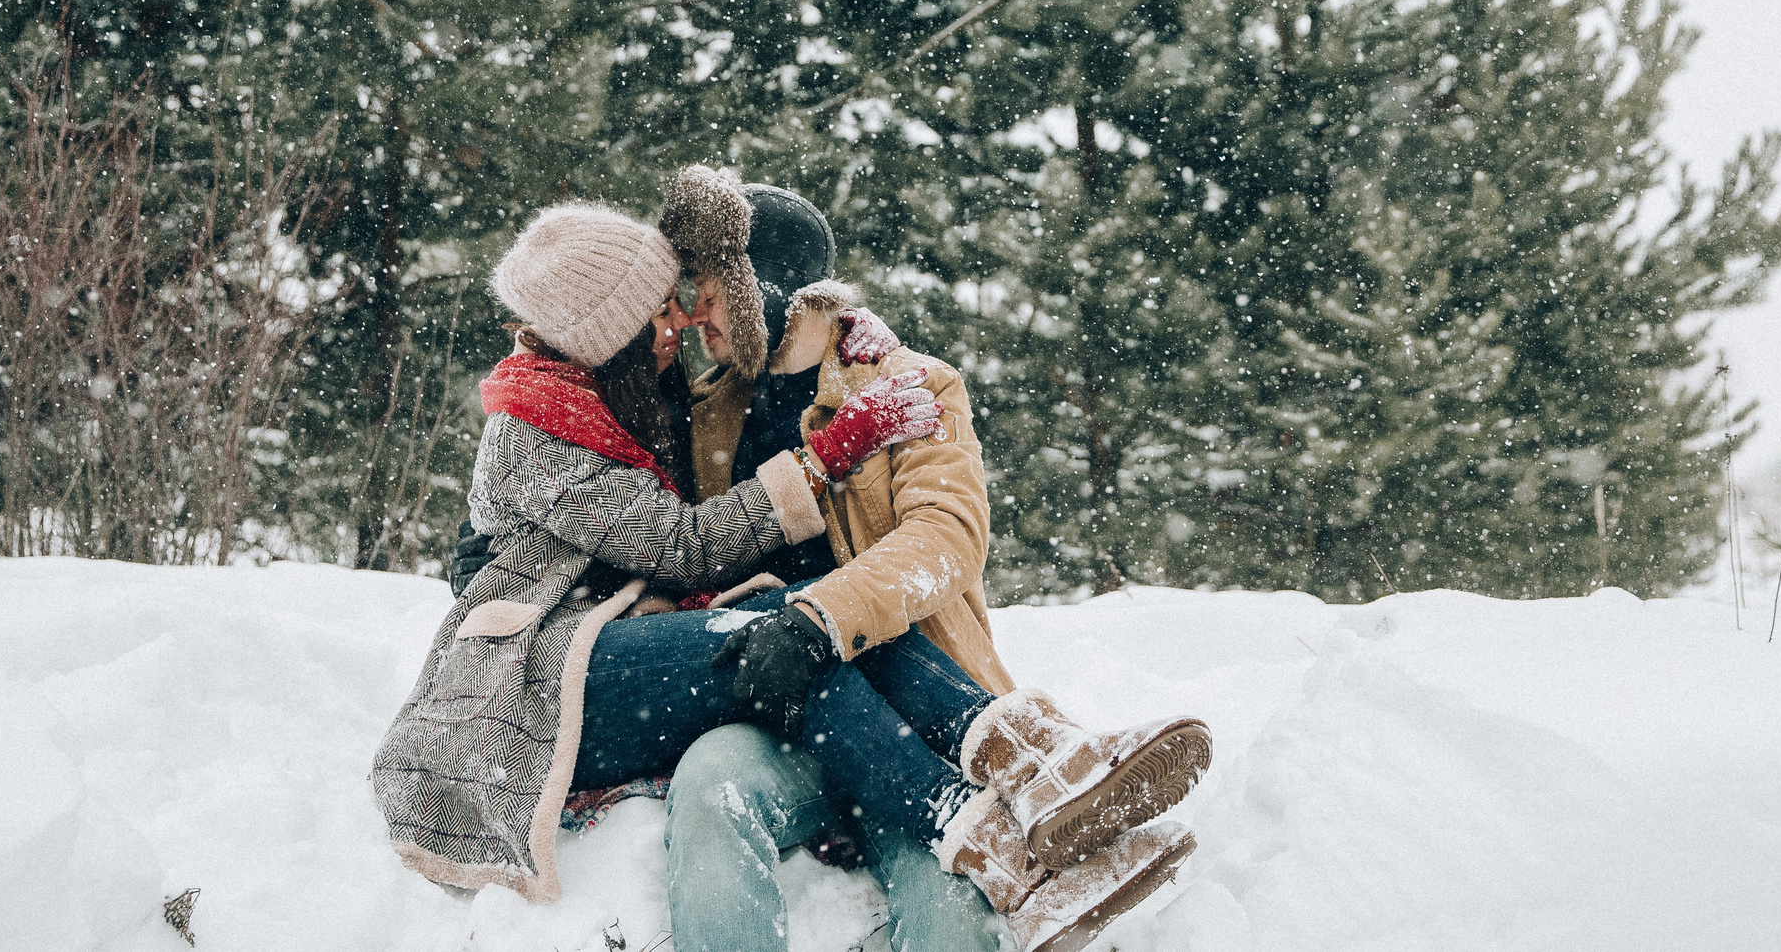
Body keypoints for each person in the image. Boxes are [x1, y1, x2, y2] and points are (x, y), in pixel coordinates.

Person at [427, 172, 1208, 952]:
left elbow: (944, 542)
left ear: (762, 290)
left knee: (945, 901)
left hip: (903, 700)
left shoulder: (910, 385)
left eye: (705, 288)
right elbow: (585, 371)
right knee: (713, 787)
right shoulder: (698, 402)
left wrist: (819, 620)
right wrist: (486, 544)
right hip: (763, 692)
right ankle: (1022, 793)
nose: (691, 312)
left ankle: (1040, 780)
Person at [371, 200, 945, 901]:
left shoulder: (617, 393)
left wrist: (845, 337)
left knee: (817, 618)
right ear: (612, 334)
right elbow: (681, 543)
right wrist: (821, 459)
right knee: (794, 636)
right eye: (660, 310)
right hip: (539, 679)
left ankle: (1017, 748)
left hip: (605, 647)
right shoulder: (543, 427)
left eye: (682, 300)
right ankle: (959, 818)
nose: (679, 321)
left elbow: (765, 374)